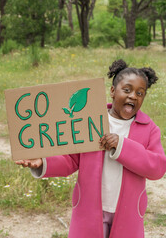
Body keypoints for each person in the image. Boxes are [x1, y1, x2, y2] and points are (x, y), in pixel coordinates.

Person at [16, 59, 166, 238]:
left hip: (129, 212)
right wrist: (42, 162)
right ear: (112, 91)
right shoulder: (90, 121)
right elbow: (71, 160)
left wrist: (122, 145)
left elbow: (157, 168)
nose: (133, 96)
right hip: (90, 209)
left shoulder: (149, 128)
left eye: (140, 93)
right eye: (127, 90)